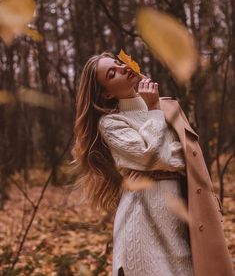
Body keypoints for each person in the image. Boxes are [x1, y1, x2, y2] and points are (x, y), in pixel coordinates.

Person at [72, 52, 234, 276]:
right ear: (107, 92)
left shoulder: (168, 108)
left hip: (178, 224)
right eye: (112, 74)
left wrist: (163, 154)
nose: (122, 68)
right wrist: (154, 114)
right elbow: (157, 156)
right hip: (141, 228)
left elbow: (186, 158)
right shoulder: (111, 124)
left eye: (119, 64)